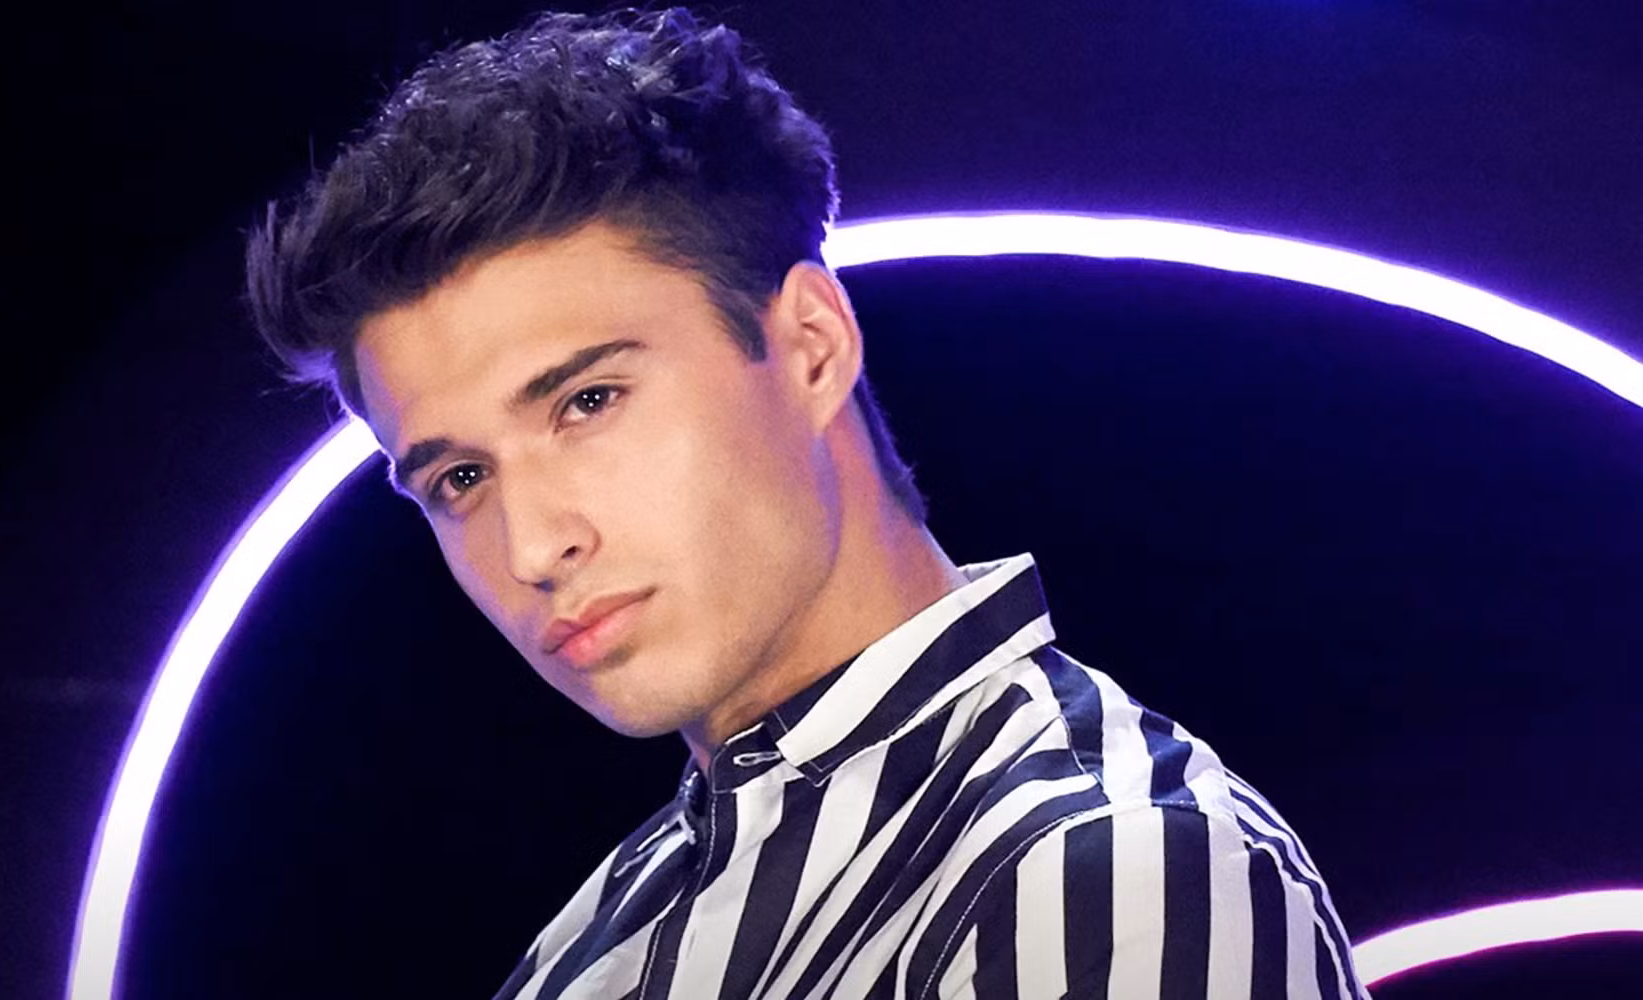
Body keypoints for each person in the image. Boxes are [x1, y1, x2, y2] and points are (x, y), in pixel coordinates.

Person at [245, 8, 1366, 998]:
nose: (534, 544)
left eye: (587, 401)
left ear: (812, 347)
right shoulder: (589, 946)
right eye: (460, 478)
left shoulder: (1111, 875)